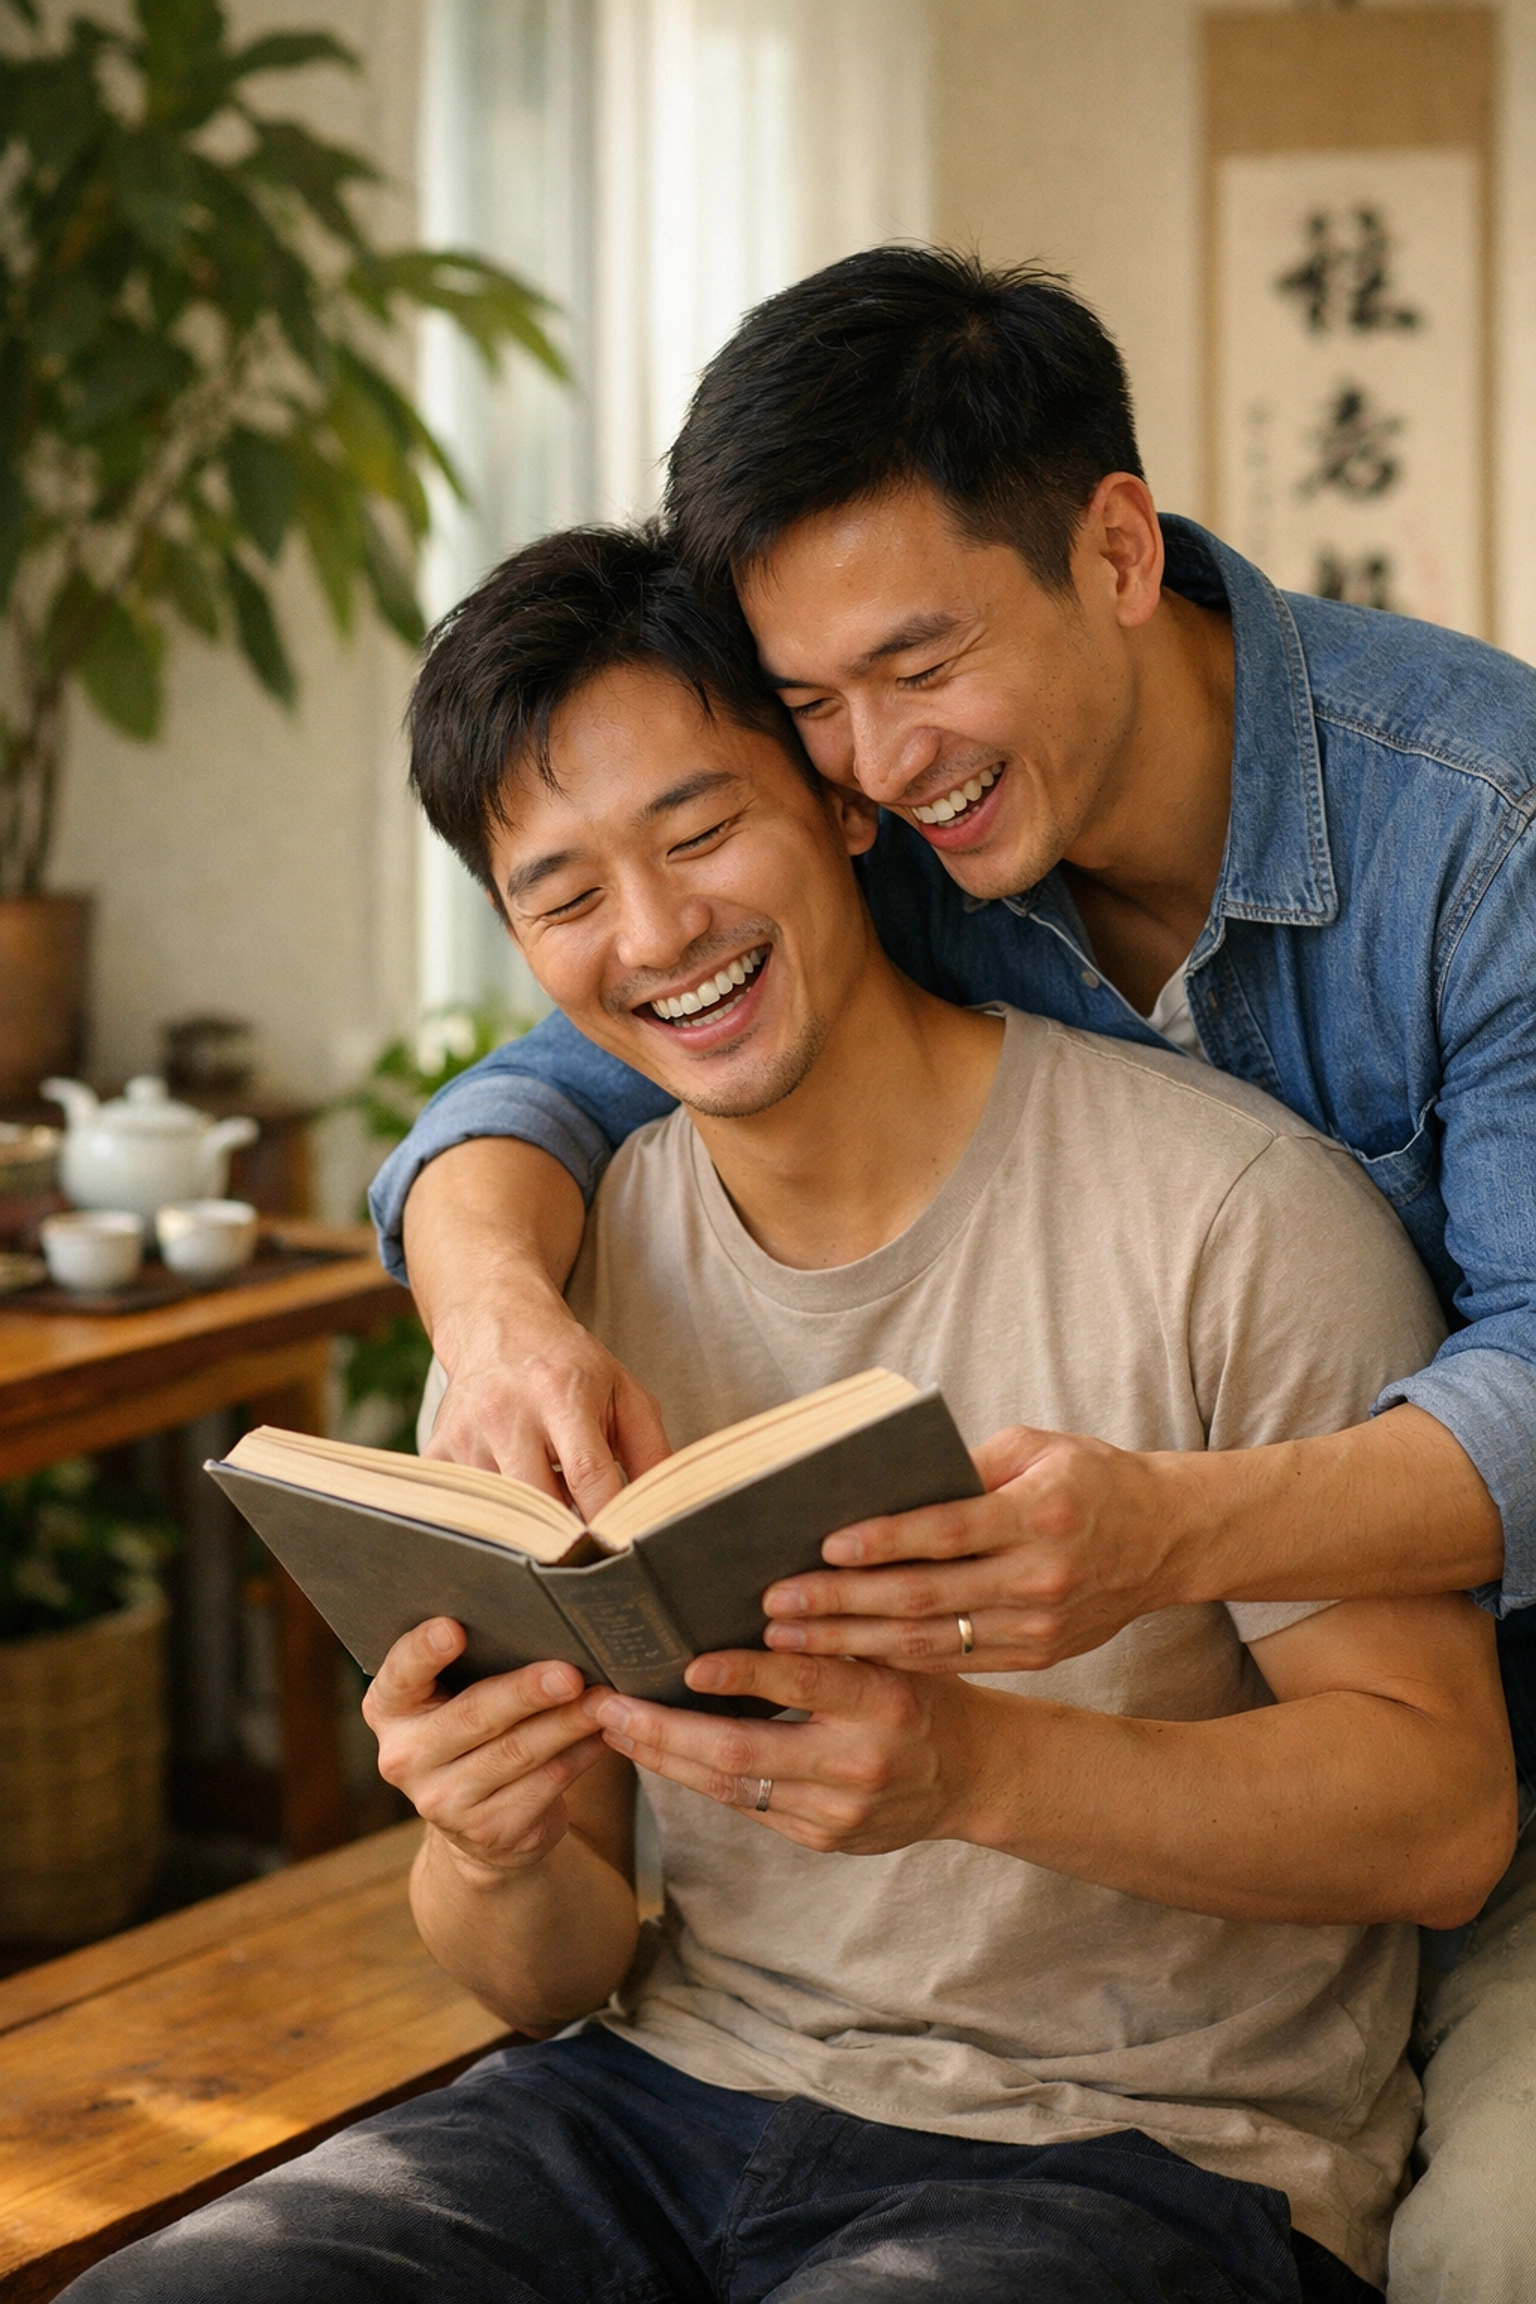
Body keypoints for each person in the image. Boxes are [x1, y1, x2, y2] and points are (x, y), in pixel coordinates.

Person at [75, 530, 1515, 2304]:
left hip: (1141, 2153)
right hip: (654, 2100)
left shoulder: (1235, 1213)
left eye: (699, 834)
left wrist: (978, 1771)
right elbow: (544, 1973)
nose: (659, 934)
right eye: (566, 892)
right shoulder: (548, 1317)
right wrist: (480, 1832)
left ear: (841, 805)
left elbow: (1442, 1819)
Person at [370, 251, 1536, 2302]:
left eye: (916, 668)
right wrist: (491, 1307)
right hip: (739, 2060)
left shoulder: (1484, 834)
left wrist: (1166, 1533)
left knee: (1485, 2248)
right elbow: (583, 1045)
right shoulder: (885, 828)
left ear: (1113, 546)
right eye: (810, 707)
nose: (881, 761)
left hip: (1405, 1819)